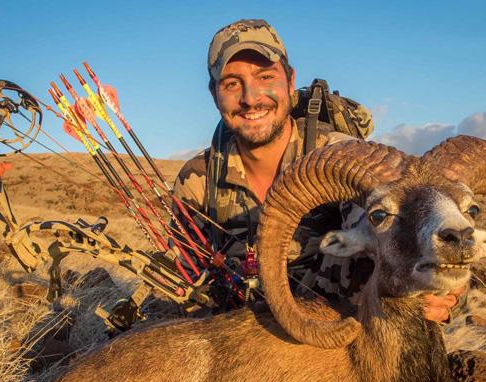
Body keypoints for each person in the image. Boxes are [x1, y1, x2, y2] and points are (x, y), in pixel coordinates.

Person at [172, 19, 462, 321]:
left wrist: (435, 285)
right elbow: (186, 287)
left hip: (343, 328)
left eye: (265, 76)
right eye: (231, 83)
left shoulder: (343, 158)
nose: (250, 98)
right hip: (241, 333)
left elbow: (389, 229)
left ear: (289, 80)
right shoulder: (197, 180)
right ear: (214, 94)